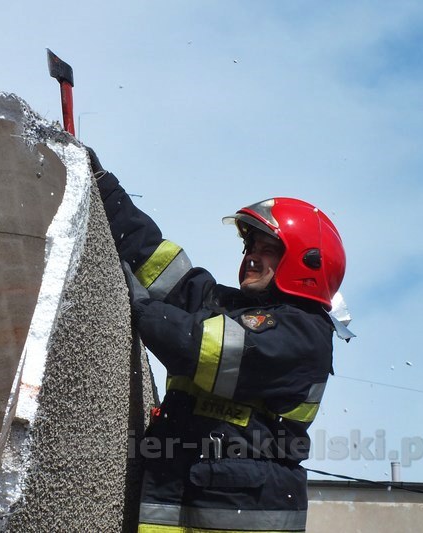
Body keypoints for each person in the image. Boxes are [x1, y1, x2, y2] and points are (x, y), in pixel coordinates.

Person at [88, 148, 349, 533]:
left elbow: (200, 348)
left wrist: (139, 308)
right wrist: (105, 190)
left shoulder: (305, 334)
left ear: (305, 262)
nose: (251, 259)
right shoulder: (234, 309)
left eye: (267, 250)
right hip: (185, 496)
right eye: (249, 248)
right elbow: (168, 273)